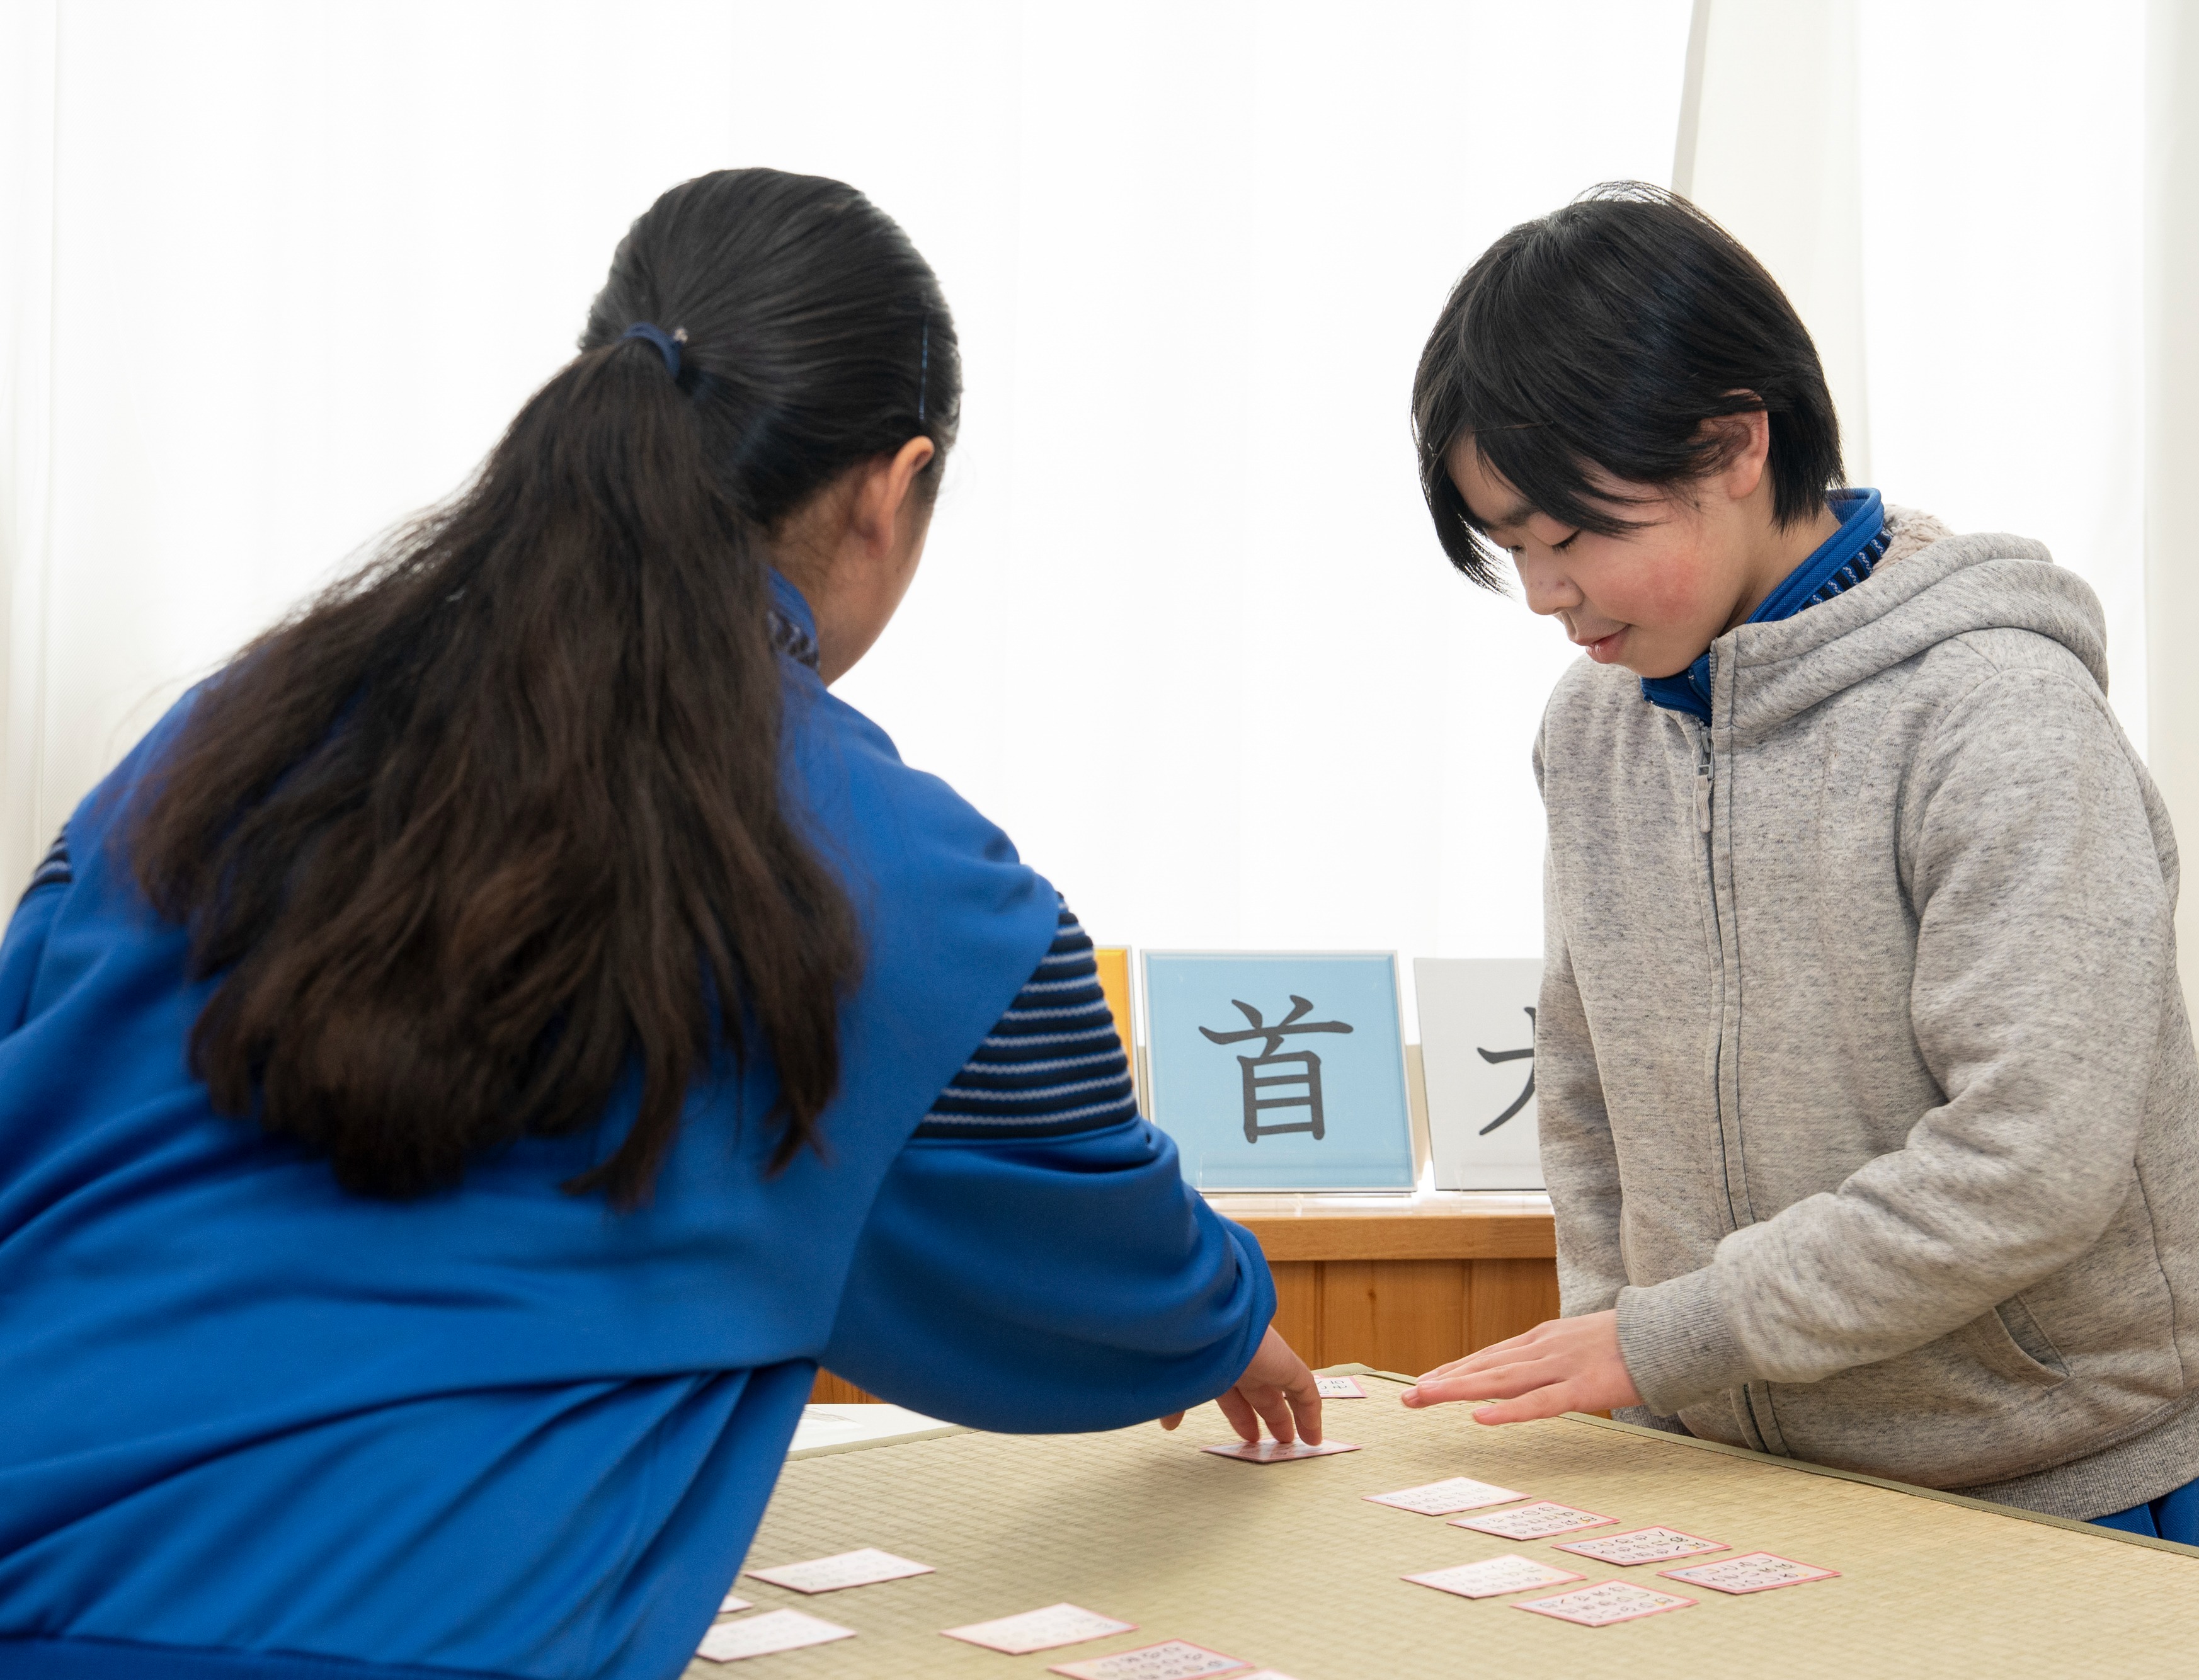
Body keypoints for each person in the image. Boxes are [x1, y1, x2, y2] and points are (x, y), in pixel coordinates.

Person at [0, 168, 1317, 1680]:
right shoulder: (913, 881)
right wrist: (1215, 1313)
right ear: (890, 488)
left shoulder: (220, 734)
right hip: (385, 1632)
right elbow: (1076, 1254)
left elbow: (37, 1046)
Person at [1399, 184, 2199, 1547]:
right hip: (1719, 1469)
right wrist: (1627, 1360)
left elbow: (2031, 1155)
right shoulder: (1595, 726)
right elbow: (1587, 1085)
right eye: (1512, 548)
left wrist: (1666, 1338)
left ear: (1736, 442)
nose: (1547, 592)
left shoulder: (1995, 715)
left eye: (1574, 533)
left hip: (2044, 1475)